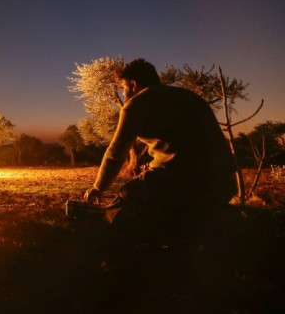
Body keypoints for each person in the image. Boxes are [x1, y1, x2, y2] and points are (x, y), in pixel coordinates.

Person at [82, 58, 237, 232]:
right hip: (224, 183)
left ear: (133, 84)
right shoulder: (190, 97)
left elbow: (116, 153)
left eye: (124, 88)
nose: (124, 94)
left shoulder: (135, 104)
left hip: (182, 183)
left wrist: (98, 187)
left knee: (127, 197)